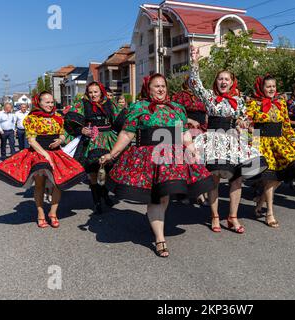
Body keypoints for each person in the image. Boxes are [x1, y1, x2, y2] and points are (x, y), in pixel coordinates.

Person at [101, 73, 214, 258]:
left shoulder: (177, 108)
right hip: (149, 157)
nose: (161, 89)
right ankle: (160, 238)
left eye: (163, 86)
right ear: (148, 89)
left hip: (174, 158)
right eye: (156, 86)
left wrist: (193, 150)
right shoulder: (139, 107)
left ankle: (157, 221)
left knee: (164, 195)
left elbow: (184, 133)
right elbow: (127, 134)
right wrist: (112, 154)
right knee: (156, 197)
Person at [189, 46, 267, 234]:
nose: (223, 81)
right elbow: (194, 83)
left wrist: (243, 122)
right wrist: (195, 61)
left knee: (237, 179)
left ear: (232, 82)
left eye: (227, 79)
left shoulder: (239, 100)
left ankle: (232, 217)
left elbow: (245, 118)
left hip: (233, 140)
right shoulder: (209, 96)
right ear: (216, 81)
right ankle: (215, 216)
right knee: (214, 179)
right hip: (214, 140)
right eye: (220, 78)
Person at [0, 92, 86, 228]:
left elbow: (63, 134)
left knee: (58, 183)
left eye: (52, 102)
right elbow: (31, 140)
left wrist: (60, 140)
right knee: (40, 184)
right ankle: (41, 213)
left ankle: (53, 213)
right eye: (47, 102)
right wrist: (45, 155)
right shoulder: (32, 118)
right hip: (38, 153)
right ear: (39, 103)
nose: (50, 105)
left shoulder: (58, 117)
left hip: (56, 152)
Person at [247, 75, 295, 228]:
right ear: (262, 88)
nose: (271, 89)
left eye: (273, 86)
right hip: (263, 143)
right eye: (268, 86)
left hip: (280, 142)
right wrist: (252, 144)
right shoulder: (253, 103)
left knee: (286, 173)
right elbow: (248, 123)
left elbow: (286, 126)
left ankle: (261, 200)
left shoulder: (281, 103)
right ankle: (270, 213)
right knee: (270, 177)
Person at [64, 82, 121, 215]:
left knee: (107, 171)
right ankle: (97, 203)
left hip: (108, 140)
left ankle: (105, 195)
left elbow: (120, 120)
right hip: (91, 142)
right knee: (93, 173)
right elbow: (70, 121)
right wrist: (81, 129)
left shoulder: (110, 103)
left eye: (95, 92)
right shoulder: (82, 104)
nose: (93, 95)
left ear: (101, 92)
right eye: (90, 92)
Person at [172, 76, 209, 206]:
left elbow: (206, 112)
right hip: (185, 129)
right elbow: (175, 114)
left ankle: (201, 192)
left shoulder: (203, 95)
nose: (193, 84)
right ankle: (183, 193)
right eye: (191, 82)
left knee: (201, 161)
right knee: (186, 162)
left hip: (202, 130)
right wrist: (190, 121)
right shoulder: (179, 96)